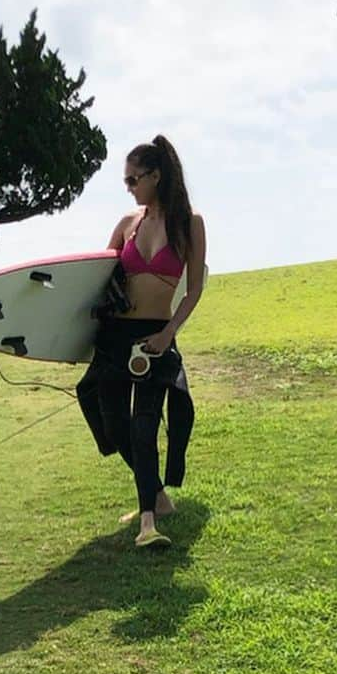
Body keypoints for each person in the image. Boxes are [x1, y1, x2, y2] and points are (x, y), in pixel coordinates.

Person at [85, 134, 207, 548]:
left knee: (143, 428)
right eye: (127, 181)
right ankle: (154, 494)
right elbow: (96, 278)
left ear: (156, 176)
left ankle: (148, 524)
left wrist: (168, 333)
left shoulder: (190, 223)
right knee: (116, 426)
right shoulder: (127, 224)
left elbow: (193, 289)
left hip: (156, 335)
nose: (130, 187)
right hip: (116, 337)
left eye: (134, 179)